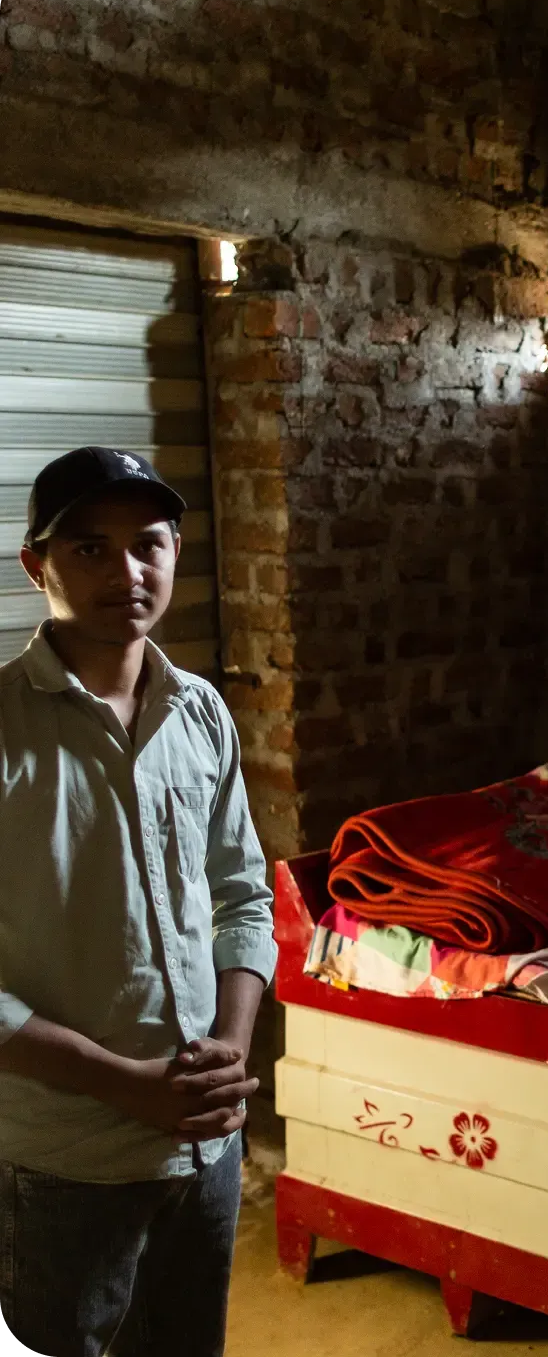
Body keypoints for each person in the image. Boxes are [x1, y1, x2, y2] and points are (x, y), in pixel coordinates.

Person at [0, 447, 276, 1356]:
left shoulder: (199, 711)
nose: (129, 573)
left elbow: (241, 896)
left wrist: (230, 1051)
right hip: (64, 1159)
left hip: (206, 1145)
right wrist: (126, 1086)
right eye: (90, 549)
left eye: (148, 545)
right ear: (37, 566)